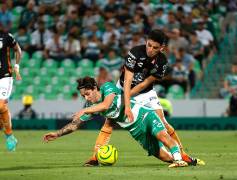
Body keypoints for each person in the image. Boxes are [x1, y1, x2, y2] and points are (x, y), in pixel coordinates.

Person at [86, 29, 204, 166]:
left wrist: (127, 99)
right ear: (146, 42)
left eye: (155, 47)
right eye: (149, 45)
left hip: (146, 93)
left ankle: (182, 155)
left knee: (163, 123)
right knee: (109, 122)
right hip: (123, 88)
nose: (150, 49)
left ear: (162, 48)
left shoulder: (162, 63)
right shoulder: (134, 53)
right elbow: (129, 80)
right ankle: (95, 157)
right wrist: (125, 99)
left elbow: (144, 84)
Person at [43, 76, 191, 168]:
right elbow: (75, 125)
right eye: (83, 96)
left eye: (87, 94)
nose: (86, 98)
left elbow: (106, 105)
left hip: (143, 115)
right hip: (134, 130)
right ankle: (180, 160)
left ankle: (179, 159)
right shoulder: (91, 106)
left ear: (95, 88)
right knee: (162, 156)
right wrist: (57, 133)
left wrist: (85, 110)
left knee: (163, 136)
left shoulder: (108, 88)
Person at [0, 26, 22, 151]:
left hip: (5, 76)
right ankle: (9, 135)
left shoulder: (7, 36)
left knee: (1, 106)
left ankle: (9, 136)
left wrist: (16, 67)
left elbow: (18, 50)